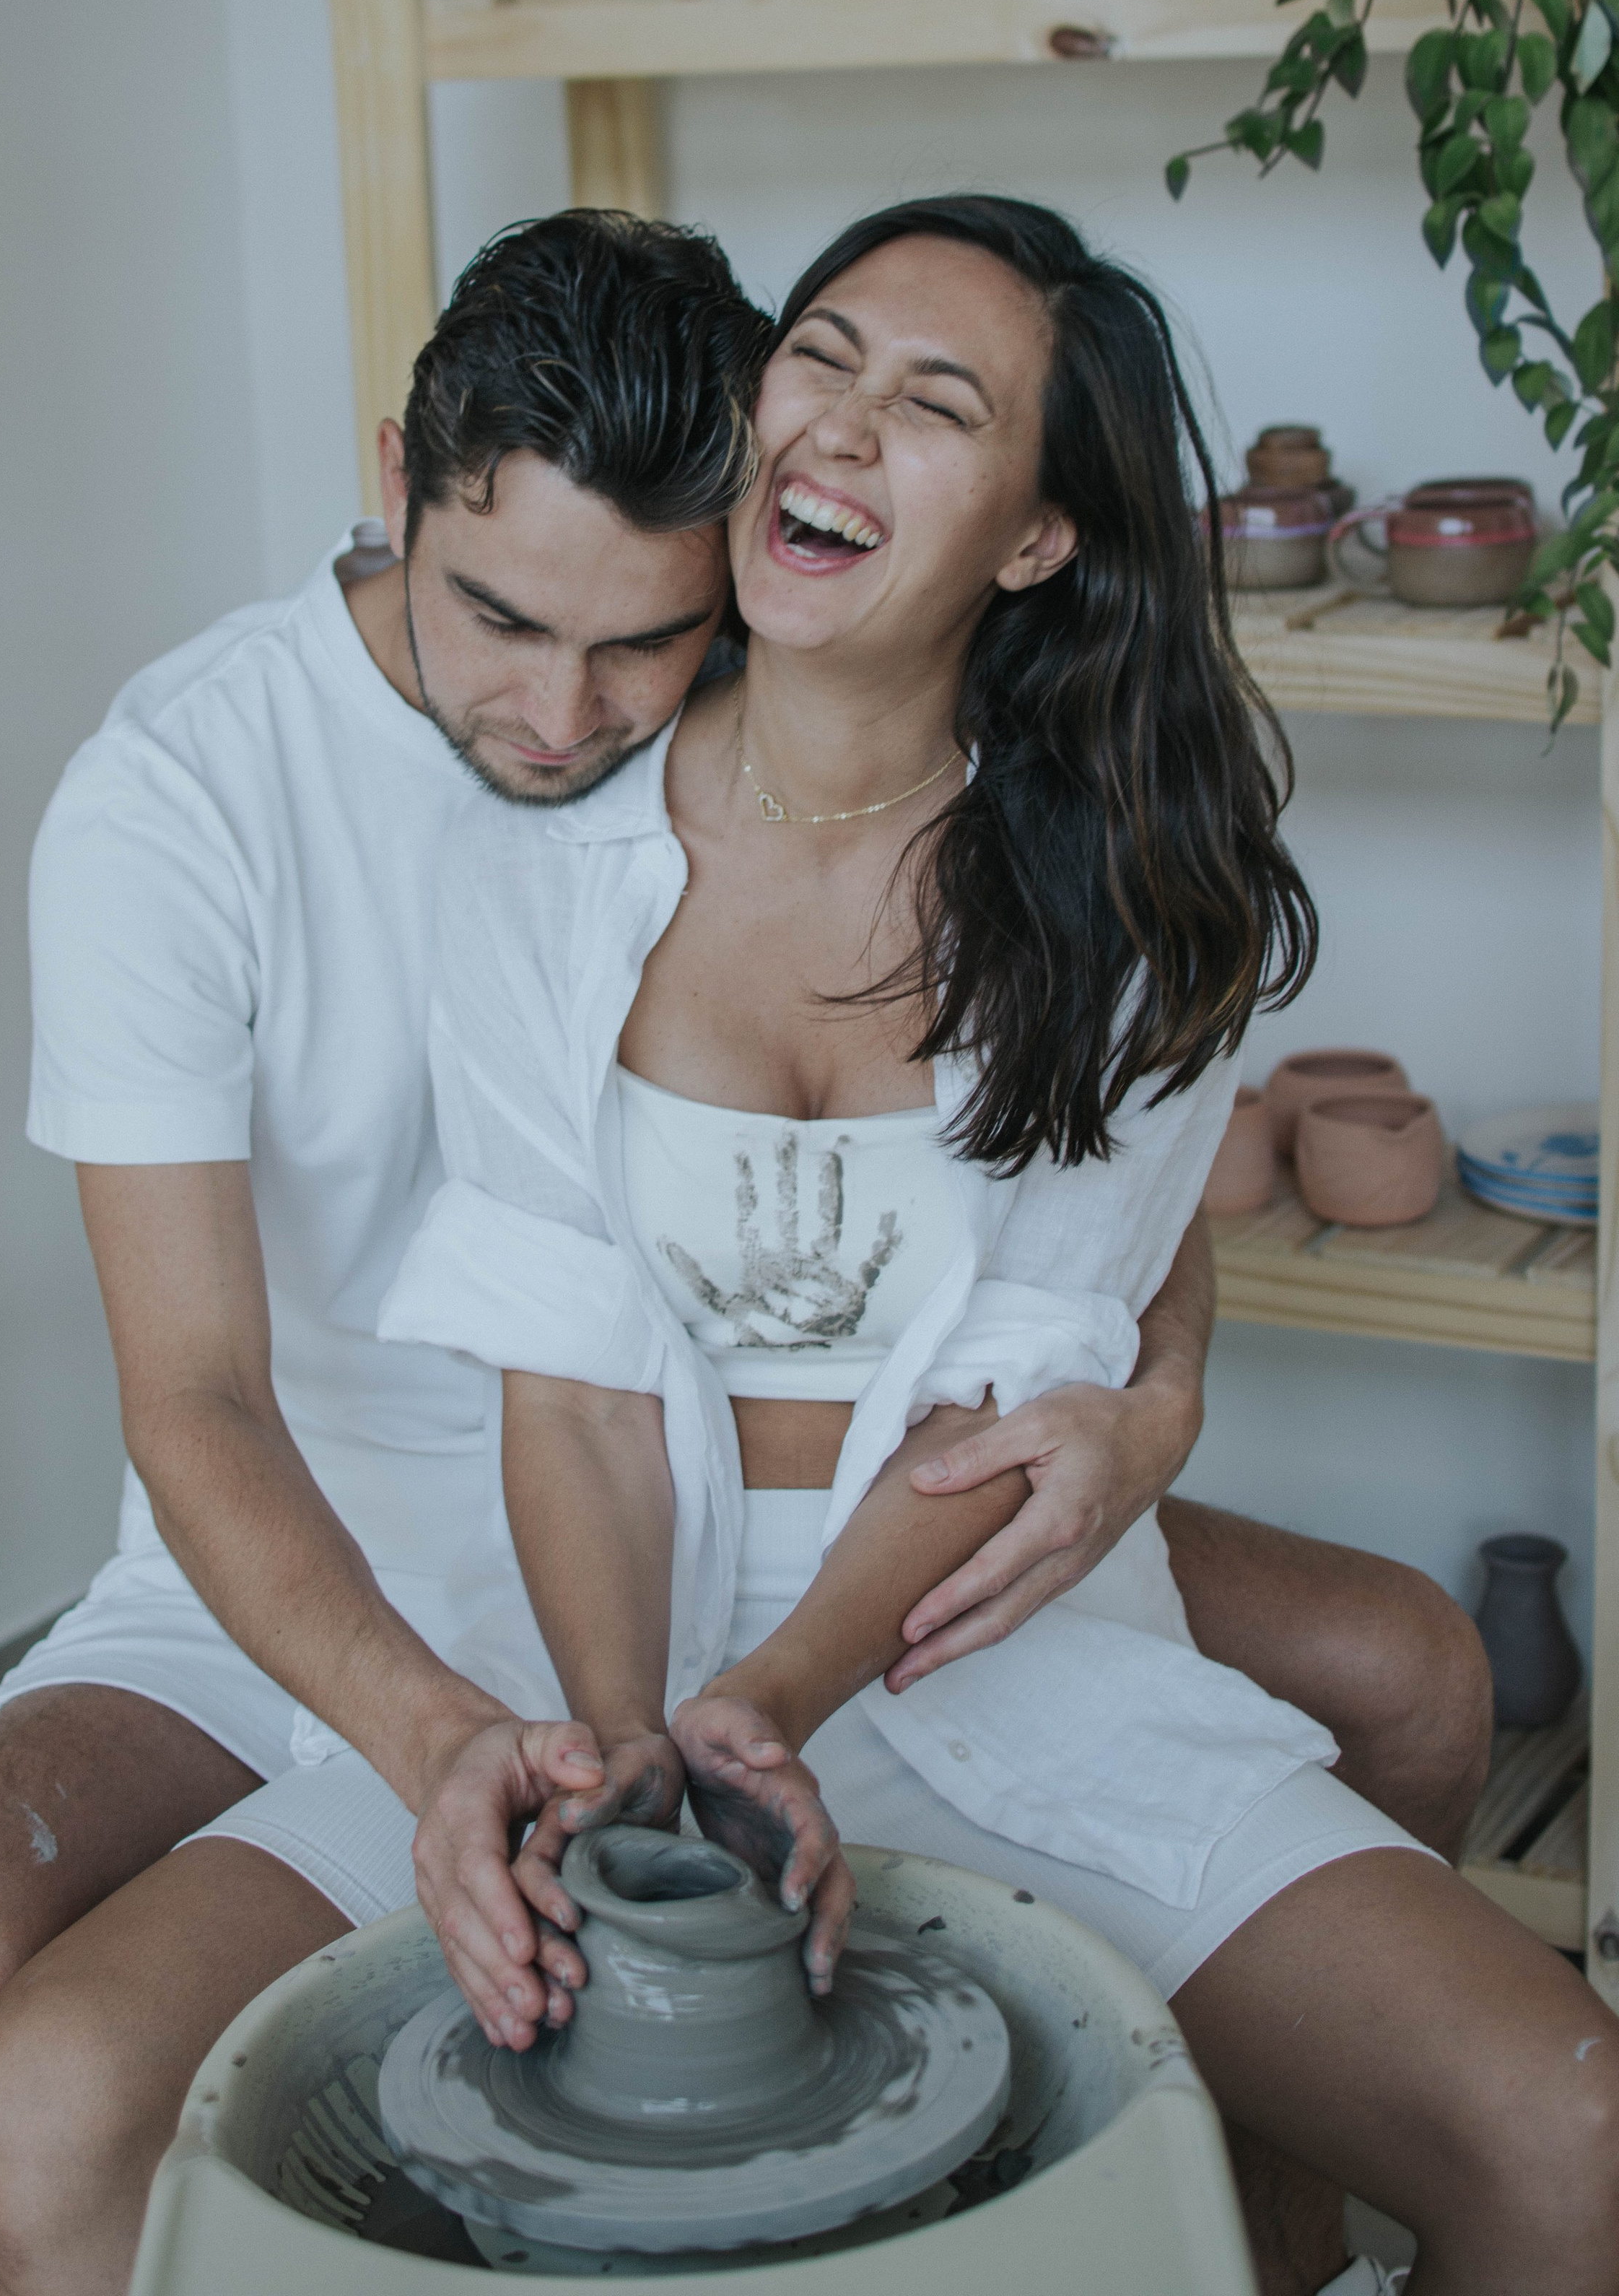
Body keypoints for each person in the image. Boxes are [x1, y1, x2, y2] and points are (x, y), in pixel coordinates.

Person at [0, 211, 1487, 2296]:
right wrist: (449, 1741)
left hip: (758, 1483)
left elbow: (1049, 1170)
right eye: (497, 620)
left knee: (1417, 1671)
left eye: (642, 643)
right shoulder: (184, 796)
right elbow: (199, 1401)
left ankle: (1257, 2218)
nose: (560, 718)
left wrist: (1152, 1399)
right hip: (346, 1539)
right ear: (393, 477)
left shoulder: (778, 685)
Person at [383, 199, 1619, 2296]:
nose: (839, 430)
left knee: (1565, 2121)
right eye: (825, 356)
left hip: (987, 1624)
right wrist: (638, 1760)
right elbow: (573, 1381)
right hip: (604, 1616)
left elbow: (1010, 1399)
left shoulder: (1127, 898)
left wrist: (772, 1702)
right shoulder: (540, 858)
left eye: (934, 404)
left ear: (1038, 537)